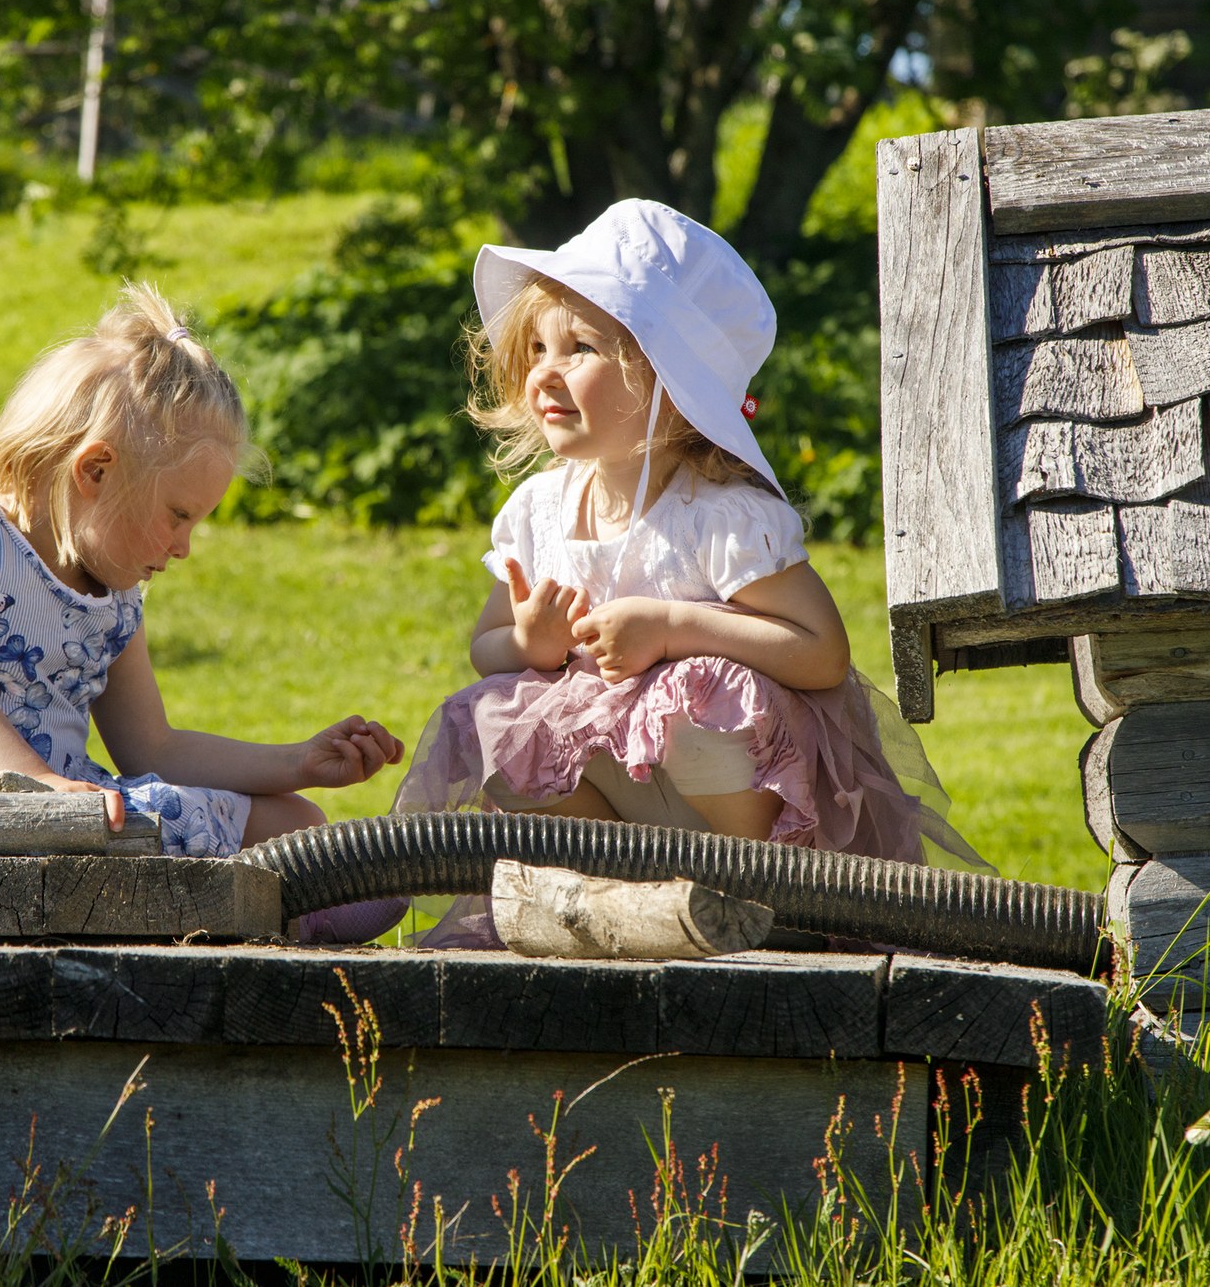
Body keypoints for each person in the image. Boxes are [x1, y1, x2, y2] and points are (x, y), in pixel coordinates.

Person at [350, 199, 986, 947]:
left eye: (578, 348)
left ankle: (752, 895)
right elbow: (485, 644)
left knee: (701, 696)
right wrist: (530, 640)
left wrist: (673, 628)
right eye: (537, 350)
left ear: (662, 377)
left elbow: (820, 651)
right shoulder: (540, 512)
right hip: (618, 805)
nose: (545, 374)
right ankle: (614, 892)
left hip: (732, 803)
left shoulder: (717, 514)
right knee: (497, 717)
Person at [0, 281, 403, 859]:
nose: (183, 546)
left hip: (75, 809)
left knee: (295, 820)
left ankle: (292, 917)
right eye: (177, 515)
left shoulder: (114, 596)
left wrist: (299, 760)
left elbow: (153, 749)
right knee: (287, 848)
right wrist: (37, 787)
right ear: (95, 470)